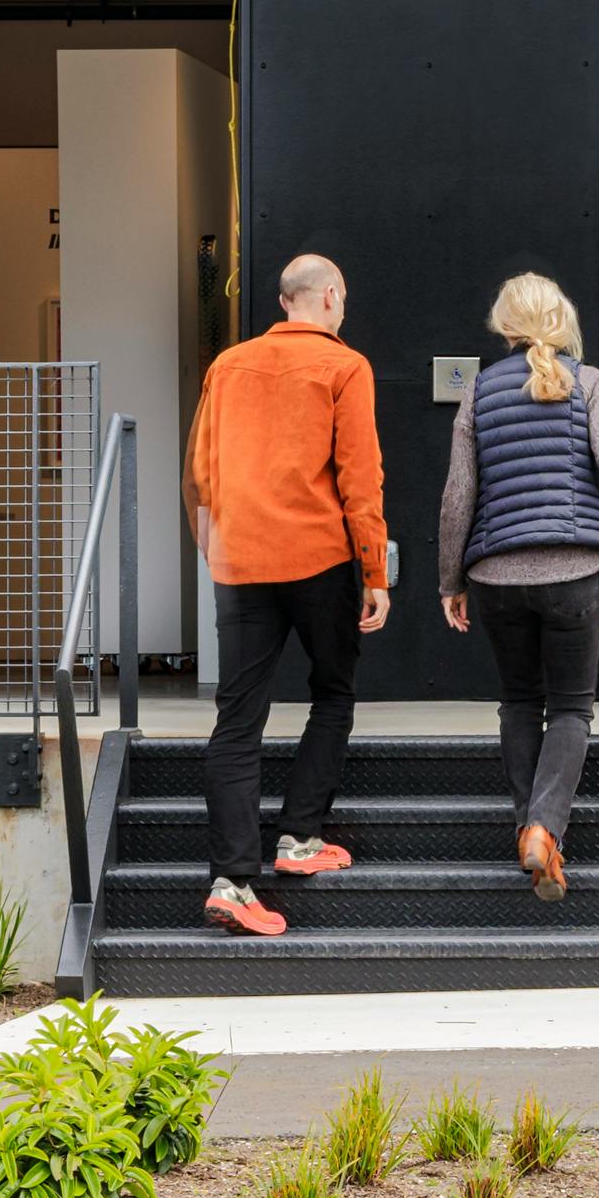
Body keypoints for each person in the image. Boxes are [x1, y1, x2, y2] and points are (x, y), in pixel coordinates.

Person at [433, 271, 599, 898]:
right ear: (560, 321)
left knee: (518, 703)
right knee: (569, 708)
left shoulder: (478, 393)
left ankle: (532, 834)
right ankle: (542, 830)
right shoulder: (587, 382)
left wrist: (450, 580)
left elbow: (458, 499)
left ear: (505, 327)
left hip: (497, 576)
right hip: (574, 572)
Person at [183, 248, 389, 939]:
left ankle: (233, 882)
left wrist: (212, 546)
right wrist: (375, 576)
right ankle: (299, 838)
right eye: (345, 298)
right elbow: (362, 482)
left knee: (237, 719)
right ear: (328, 297)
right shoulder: (344, 365)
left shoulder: (228, 365)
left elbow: (200, 473)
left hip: (239, 561)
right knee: (333, 691)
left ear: (283, 303)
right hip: (319, 560)